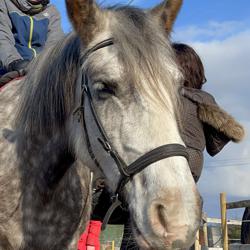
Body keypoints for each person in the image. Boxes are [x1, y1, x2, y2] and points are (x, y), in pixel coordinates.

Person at [79, 43, 245, 249]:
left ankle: (91, 233)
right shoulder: (204, 99)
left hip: (164, 162)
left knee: (134, 213)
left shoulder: (159, 97)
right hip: (189, 168)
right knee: (181, 224)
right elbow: (218, 142)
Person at [0, 0, 64, 76]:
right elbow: (3, 36)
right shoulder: (4, 3)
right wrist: (13, 62)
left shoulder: (52, 11)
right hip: (11, 69)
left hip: (41, 73)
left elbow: (54, 45)